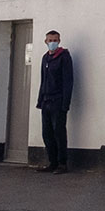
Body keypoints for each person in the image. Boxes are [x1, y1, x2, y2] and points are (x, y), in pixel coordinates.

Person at [36, 29, 73, 174]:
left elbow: (68, 81)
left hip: (58, 101)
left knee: (59, 133)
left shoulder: (64, 57)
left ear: (59, 41)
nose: (53, 43)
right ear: (46, 42)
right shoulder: (45, 58)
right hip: (46, 100)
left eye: (55, 40)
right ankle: (52, 162)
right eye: (50, 40)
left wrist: (65, 103)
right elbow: (43, 80)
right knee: (47, 133)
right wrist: (40, 100)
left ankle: (62, 164)